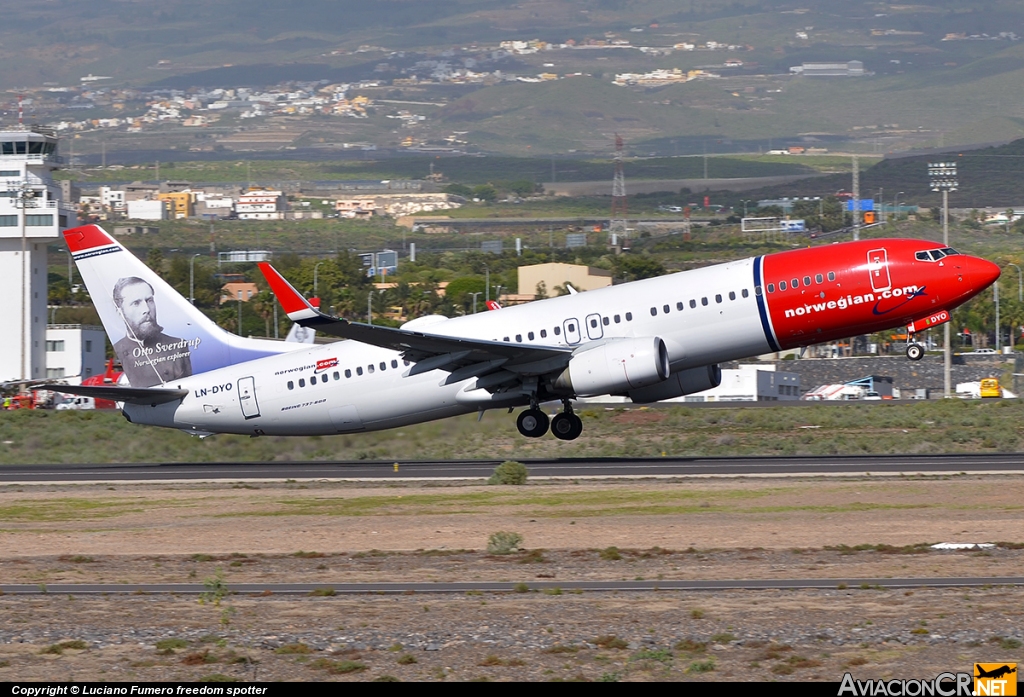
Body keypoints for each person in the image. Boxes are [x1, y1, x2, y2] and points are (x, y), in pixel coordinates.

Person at [111, 277, 193, 387]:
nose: (147, 309)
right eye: (136, 303)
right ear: (120, 312)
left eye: (149, 301)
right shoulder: (120, 349)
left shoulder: (178, 345)